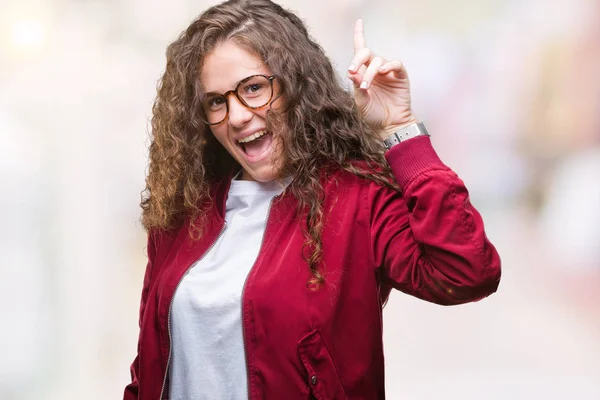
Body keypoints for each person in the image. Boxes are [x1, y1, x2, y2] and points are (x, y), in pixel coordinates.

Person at [124, 0, 501, 399]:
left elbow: (466, 273)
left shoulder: (356, 198)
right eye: (216, 101)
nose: (236, 116)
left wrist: (400, 128)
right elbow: (149, 366)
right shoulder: (184, 210)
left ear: (294, 84)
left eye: (253, 88)